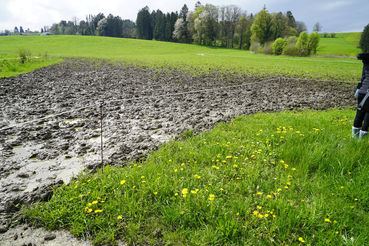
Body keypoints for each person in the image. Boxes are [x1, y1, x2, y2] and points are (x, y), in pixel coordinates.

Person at [352, 53, 369, 139]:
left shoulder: (366, 62)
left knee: (360, 113)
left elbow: (362, 78)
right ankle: (361, 140)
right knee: (368, 115)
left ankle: (354, 137)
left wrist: (358, 91)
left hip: (362, 92)